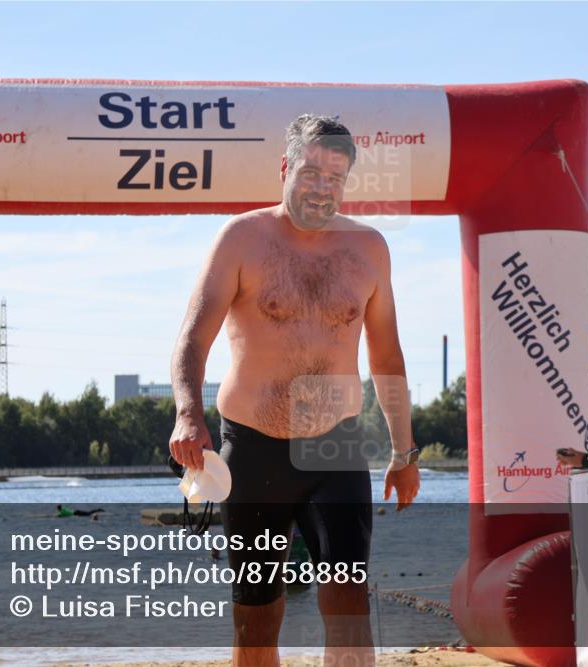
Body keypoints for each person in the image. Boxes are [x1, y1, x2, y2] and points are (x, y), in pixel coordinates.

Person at [169, 114, 419, 667]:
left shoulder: (370, 249)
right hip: (253, 447)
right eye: (310, 171)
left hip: (335, 448)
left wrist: (404, 451)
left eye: (335, 176)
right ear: (285, 168)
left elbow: (386, 356)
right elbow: (192, 338)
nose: (322, 186)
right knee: (257, 619)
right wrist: (188, 414)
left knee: (348, 605)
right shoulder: (241, 238)